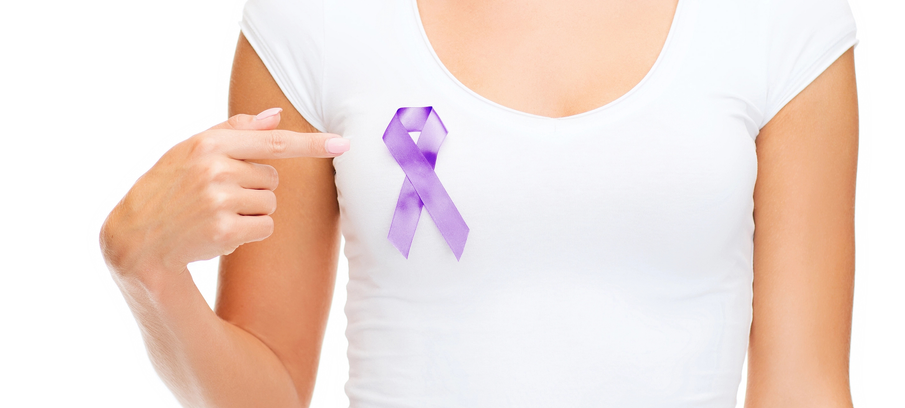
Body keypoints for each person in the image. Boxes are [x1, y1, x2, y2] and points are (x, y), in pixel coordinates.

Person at [99, 0, 859, 407]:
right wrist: (147, 272)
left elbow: (804, 390)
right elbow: (266, 397)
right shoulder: (314, 18)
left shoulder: (782, 20)